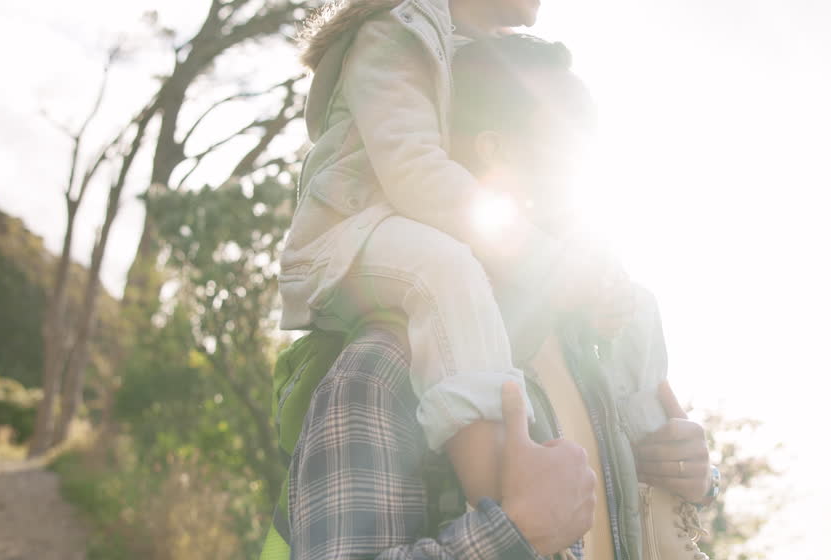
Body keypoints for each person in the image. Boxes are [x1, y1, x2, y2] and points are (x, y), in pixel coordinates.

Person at [286, 35, 718, 560]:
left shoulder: (592, 349)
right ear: (496, 151)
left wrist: (693, 473)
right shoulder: (383, 367)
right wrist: (514, 534)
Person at [276, 0, 624, 511]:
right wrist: (542, 256)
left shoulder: (492, 60)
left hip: (421, 234)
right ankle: (499, 492)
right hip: (353, 240)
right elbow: (415, 174)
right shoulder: (394, 31)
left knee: (590, 283)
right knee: (447, 270)